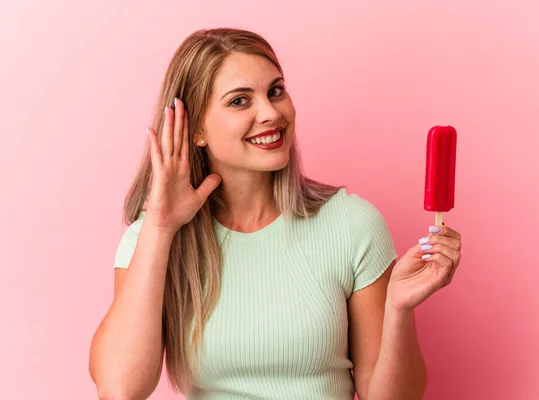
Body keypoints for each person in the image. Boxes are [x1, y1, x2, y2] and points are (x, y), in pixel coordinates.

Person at [89, 28, 462, 400]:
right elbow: (120, 389)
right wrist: (160, 226)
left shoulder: (352, 224)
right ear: (196, 128)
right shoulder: (151, 238)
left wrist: (398, 309)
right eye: (239, 101)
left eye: (275, 91)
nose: (270, 113)